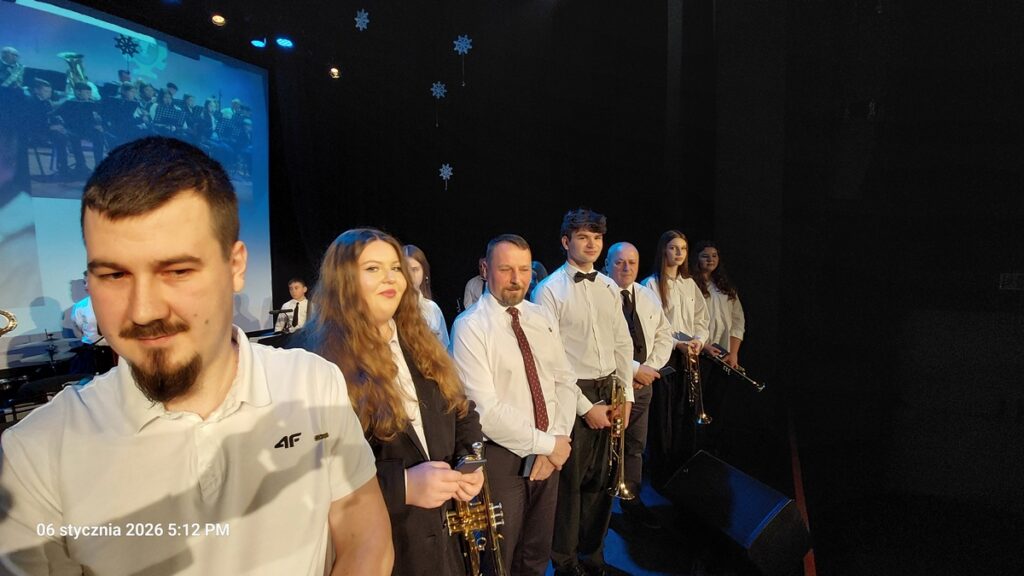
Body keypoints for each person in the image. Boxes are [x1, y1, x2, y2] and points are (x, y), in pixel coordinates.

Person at [0, 137, 393, 575]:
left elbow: (364, 532)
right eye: (114, 274)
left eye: (177, 271)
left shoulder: (312, 383)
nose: (143, 310)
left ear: (235, 266)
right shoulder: (36, 453)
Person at [298, 228, 484, 576]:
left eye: (396, 267)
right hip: (385, 549)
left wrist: (471, 461)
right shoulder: (317, 362)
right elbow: (313, 472)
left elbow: (464, 411)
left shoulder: (422, 343)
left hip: (445, 548)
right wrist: (404, 486)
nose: (390, 278)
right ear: (344, 281)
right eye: (373, 268)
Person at [450, 234, 580, 575]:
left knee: (536, 553)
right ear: (485, 269)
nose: (516, 279)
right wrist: (548, 445)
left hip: (549, 451)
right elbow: (485, 409)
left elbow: (564, 380)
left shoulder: (541, 316)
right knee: (500, 558)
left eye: (524, 270)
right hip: (501, 457)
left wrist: (556, 439)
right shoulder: (470, 327)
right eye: (506, 269)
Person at [531, 208, 634, 576]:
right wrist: (586, 407)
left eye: (597, 238)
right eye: (583, 237)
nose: (592, 244)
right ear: (566, 242)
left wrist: (626, 397)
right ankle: (565, 562)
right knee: (570, 488)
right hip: (573, 394)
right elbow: (551, 360)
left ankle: (593, 557)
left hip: (611, 389)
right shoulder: (548, 291)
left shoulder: (608, 286)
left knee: (603, 482)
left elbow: (622, 343)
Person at [604, 242, 673, 527]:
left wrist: (649, 368)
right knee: (605, 448)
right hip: (610, 384)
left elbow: (664, 334)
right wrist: (634, 369)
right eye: (619, 262)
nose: (626, 268)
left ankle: (630, 500)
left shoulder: (646, 296)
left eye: (632, 262)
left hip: (643, 385)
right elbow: (598, 343)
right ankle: (601, 510)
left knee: (634, 445)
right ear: (607, 264)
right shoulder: (598, 295)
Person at [641, 230, 711, 487]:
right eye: (673, 247)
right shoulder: (650, 284)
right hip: (666, 356)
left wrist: (698, 341)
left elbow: (702, 319)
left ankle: (683, 468)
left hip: (689, 355)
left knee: (684, 411)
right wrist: (676, 344)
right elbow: (653, 325)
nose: (679, 253)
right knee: (664, 415)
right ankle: (662, 471)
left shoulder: (689, 284)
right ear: (664, 250)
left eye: (683, 248)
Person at [692, 241, 745, 369]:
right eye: (705, 256)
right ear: (697, 259)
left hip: (723, 354)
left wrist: (733, 353)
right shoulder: (690, 285)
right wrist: (703, 346)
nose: (711, 260)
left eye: (714, 256)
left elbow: (737, 322)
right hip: (697, 350)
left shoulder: (726, 288)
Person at [403, 244, 450, 347]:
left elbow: (444, 349)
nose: (410, 276)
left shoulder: (432, 309)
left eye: (414, 270)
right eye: (404, 270)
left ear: (424, 273)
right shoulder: (390, 308)